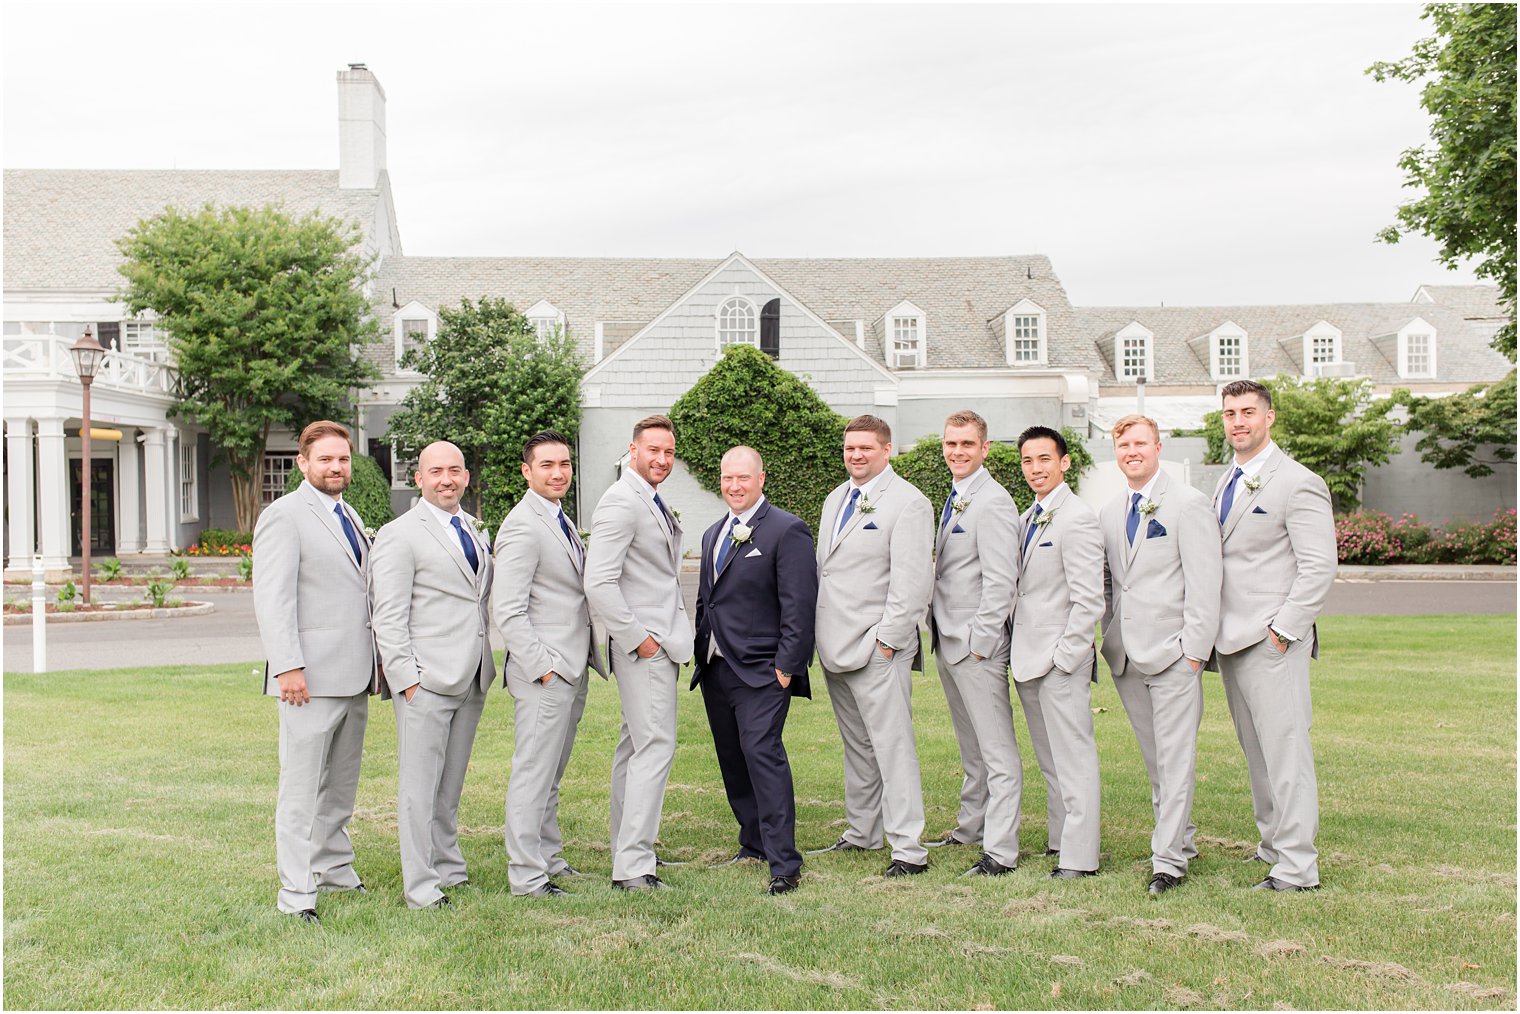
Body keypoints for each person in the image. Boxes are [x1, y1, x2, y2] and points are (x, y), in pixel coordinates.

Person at [1210, 380, 1335, 892]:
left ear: (1269, 417)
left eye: (1247, 412)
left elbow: (1319, 566)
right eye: (1229, 413)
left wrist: (1283, 631)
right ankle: (1273, 845)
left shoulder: (1298, 482)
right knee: (1256, 751)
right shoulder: (1226, 480)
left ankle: (1298, 868)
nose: (1238, 421)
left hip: (1271, 640)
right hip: (1231, 639)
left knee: (1285, 752)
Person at [252, 419, 379, 924]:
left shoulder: (349, 515)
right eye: (325, 459)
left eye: (343, 459)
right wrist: (288, 667)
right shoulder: (284, 516)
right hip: (306, 679)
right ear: (303, 463)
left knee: (341, 785)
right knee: (302, 789)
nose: (336, 467)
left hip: (355, 675)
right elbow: (273, 597)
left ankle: (335, 868)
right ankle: (297, 893)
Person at [369, 441, 495, 910]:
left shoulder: (472, 528)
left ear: (466, 476)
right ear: (418, 479)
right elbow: (388, 615)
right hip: (425, 681)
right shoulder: (399, 534)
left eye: (456, 470)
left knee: (450, 785)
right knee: (418, 789)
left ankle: (449, 867)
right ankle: (420, 886)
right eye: (436, 471)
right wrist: (407, 679)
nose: (447, 479)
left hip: (472, 674)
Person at [1099, 415, 1221, 895]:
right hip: (1126, 657)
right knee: (1156, 761)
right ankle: (1183, 842)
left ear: (1158, 447)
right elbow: (1112, 583)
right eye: (1123, 444)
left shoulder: (1188, 504)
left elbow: (1205, 584)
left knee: (1175, 760)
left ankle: (1167, 862)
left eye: (1140, 443)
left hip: (1174, 654)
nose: (1132, 451)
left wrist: (1193, 653)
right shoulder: (1109, 512)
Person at [809, 415, 934, 878]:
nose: (856, 455)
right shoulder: (835, 499)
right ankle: (863, 831)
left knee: (892, 746)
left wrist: (887, 642)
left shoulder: (908, 503)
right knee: (857, 745)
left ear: (886, 450)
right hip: (834, 644)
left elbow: (912, 583)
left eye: (865, 448)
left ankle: (908, 849)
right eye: (849, 448)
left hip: (876, 647)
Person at [692, 446, 818, 896]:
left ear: (761, 478)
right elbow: (709, 599)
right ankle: (754, 841)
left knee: (763, 756)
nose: (734, 486)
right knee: (732, 758)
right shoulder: (712, 533)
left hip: (764, 670)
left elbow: (799, 604)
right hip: (716, 668)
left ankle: (785, 863)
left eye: (743, 477)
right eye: (727, 478)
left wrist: (787, 665)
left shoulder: (787, 530)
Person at [584, 415, 696, 891]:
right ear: (633, 450)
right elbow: (599, 582)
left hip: (657, 643)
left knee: (635, 746)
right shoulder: (620, 502)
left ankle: (628, 847)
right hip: (645, 647)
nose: (662, 460)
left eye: (669, 452)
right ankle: (634, 867)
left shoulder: (649, 499)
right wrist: (640, 639)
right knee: (654, 747)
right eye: (653, 450)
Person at [493, 431, 607, 898]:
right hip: (545, 672)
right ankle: (525, 875)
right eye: (546, 465)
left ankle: (549, 858)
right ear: (527, 471)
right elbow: (508, 610)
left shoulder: (558, 519)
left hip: (570, 667)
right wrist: (544, 667)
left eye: (564, 464)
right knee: (533, 772)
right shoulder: (522, 525)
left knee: (551, 774)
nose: (558, 472)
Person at [926, 410, 1023, 877]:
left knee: (997, 750)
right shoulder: (958, 496)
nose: (957, 452)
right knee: (972, 747)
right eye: (951, 443)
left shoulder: (995, 502)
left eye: (967, 444)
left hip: (975, 645)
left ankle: (1000, 851)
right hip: (949, 639)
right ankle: (971, 826)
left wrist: (980, 643)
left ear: (985, 448)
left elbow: (1002, 581)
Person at [1010, 425, 1105, 879]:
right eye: (1027, 461)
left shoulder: (1078, 517)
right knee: (1049, 758)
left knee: (1074, 758)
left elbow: (1089, 599)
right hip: (1028, 657)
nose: (1035, 469)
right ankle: (1059, 839)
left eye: (1044, 459)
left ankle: (1080, 858)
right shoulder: (1030, 516)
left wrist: (1066, 657)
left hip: (1059, 661)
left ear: (1064, 462)